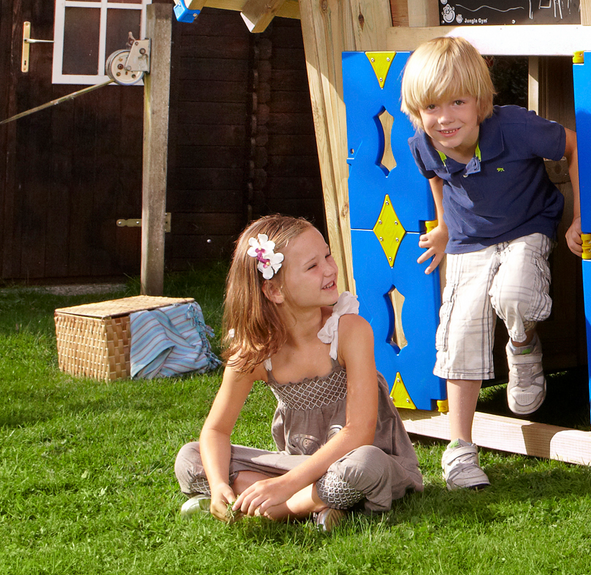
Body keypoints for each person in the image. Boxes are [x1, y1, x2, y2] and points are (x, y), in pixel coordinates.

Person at [400, 36, 583, 491]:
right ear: (417, 110)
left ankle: (523, 345)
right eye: (431, 106)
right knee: (460, 333)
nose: (445, 118)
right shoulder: (424, 144)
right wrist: (443, 226)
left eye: (457, 102)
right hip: (468, 241)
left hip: (528, 226)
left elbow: (574, 146)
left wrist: (581, 215)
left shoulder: (516, 127)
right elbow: (435, 177)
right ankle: (460, 448)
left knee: (515, 294)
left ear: (481, 101)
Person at [175, 215, 422, 529]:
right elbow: (216, 431)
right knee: (191, 458)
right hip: (298, 466)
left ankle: (277, 507)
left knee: (365, 464)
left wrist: (284, 485)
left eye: (327, 256)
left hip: (360, 456)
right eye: (312, 266)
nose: (330, 269)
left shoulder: (349, 330)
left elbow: (359, 433)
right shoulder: (254, 351)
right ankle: (317, 502)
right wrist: (218, 482)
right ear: (274, 290)